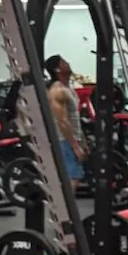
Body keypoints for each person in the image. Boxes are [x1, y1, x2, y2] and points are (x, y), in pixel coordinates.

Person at [45, 55, 85, 185]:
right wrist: (74, 146)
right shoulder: (57, 90)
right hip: (64, 140)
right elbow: (62, 121)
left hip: (72, 139)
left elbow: (75, 118)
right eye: (63, 62)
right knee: (71, 180)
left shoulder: (68, 88)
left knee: (75, 177)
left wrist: (82, 141)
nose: (67, 63)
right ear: (57, 69)